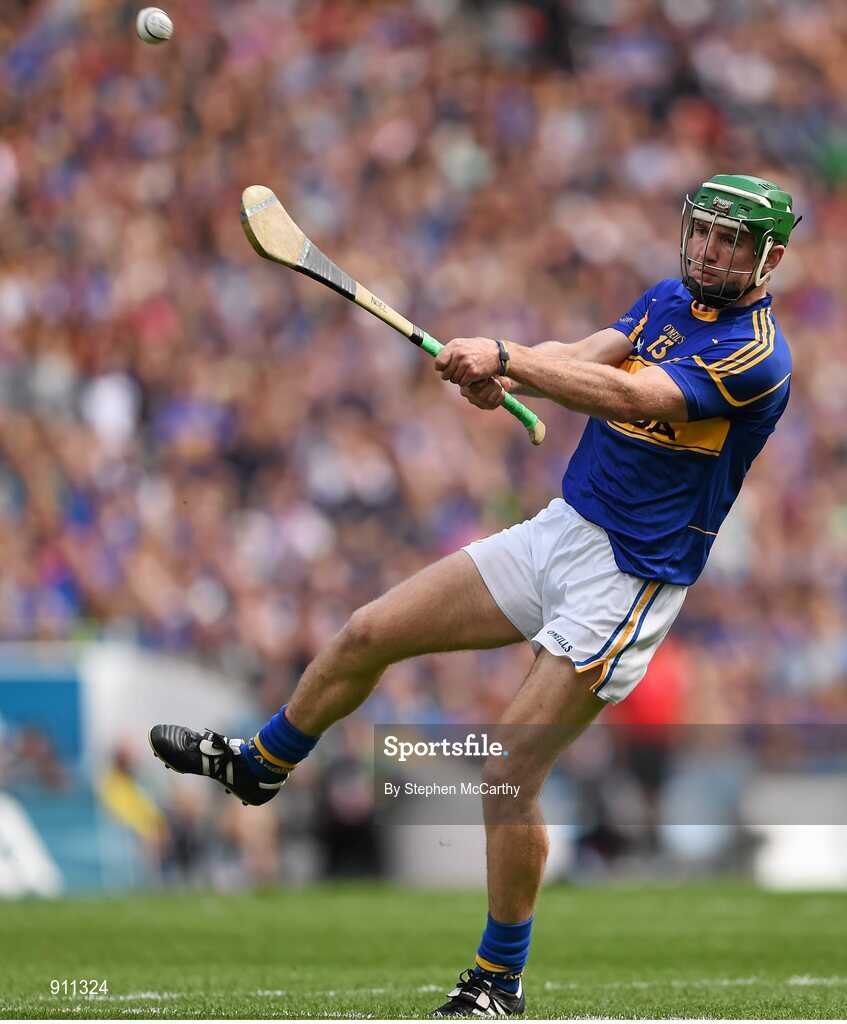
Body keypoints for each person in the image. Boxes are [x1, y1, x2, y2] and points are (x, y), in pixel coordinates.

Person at [150, 175, 798, 1016]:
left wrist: (507, 358)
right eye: (703, 231)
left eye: (731, 241)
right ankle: (259, 765)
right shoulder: (666, 299)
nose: (709, 249)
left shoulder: (758, 356)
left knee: (504, 775)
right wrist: (508, 373)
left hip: (629, 578)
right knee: (366, 630)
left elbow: (638, 395)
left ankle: (498, 981)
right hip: (562, 530)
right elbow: (587, 357)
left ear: (768, 258)